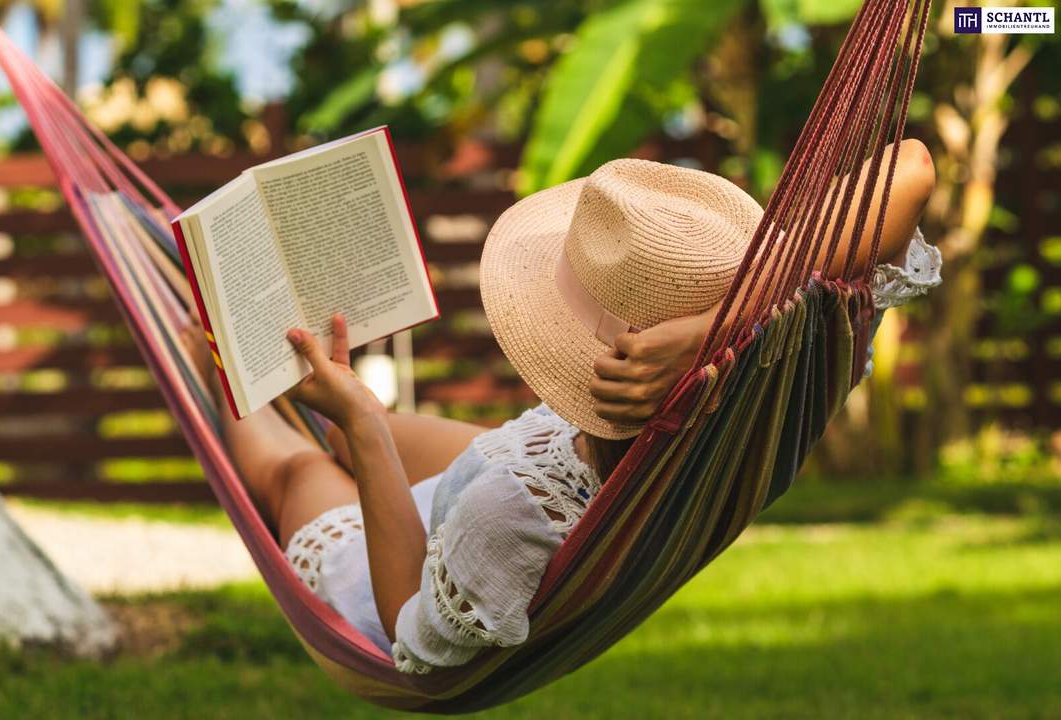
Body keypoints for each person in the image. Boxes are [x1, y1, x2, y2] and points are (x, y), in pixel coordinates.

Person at [180, 139, 941, 674]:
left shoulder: (509, 519)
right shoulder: (783, 369)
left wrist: (364, 425)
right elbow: (911, 165)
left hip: (418, 558)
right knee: (339, 430)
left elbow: (413, 631)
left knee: (303, 466)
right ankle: (313, 398)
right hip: (535, 456)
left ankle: (208, 361)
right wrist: (719, 326)